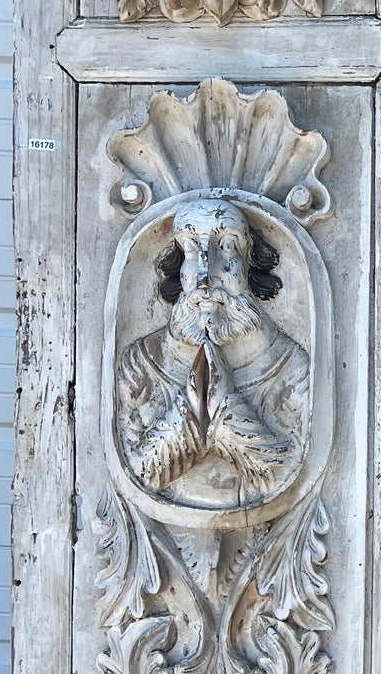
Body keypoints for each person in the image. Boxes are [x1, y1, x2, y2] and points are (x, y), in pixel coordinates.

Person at [116, 197, 308, 511]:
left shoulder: (292, 368)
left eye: (228, 246)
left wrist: (225, 416)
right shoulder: (139, 366)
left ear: (251, 261)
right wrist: (191, 413)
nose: (206, 275)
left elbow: (288, 474)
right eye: (191, 248)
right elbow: (137, 470)